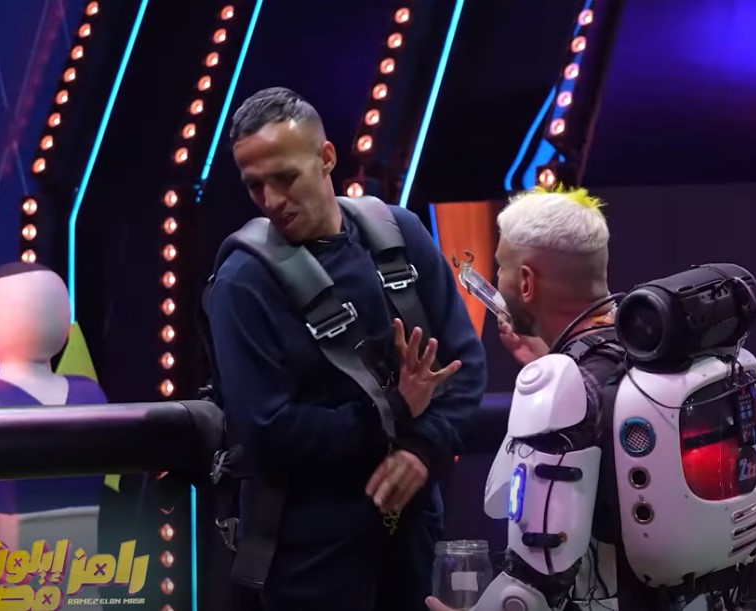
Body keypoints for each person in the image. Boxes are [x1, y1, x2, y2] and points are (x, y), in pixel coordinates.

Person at [206, 87, 487, 610]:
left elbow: (464, 368)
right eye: (255, 186)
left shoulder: (398, 235)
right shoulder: (243, 283)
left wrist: (422, 449)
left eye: (285, 178)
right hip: (309, 562)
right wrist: (394, 412)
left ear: (327, 157)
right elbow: (266, 431)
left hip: (413, 540)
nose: (272, 200)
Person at [428, 186, 619, 611]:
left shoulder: (562, 391)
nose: (495, 281)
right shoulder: (645, 351)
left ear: (527, 282)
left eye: (500, 268)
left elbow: (535, 578)